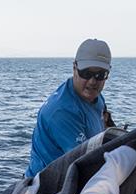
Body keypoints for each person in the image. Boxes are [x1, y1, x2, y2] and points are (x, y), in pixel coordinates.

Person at [25, 39, 113, 178]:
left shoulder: (96, 97)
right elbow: (84, 164)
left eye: (100, 75)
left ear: (108, 73)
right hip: (47, 188)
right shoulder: (61, 111)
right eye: (86, 73)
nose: (92, 81)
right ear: (74, 68)